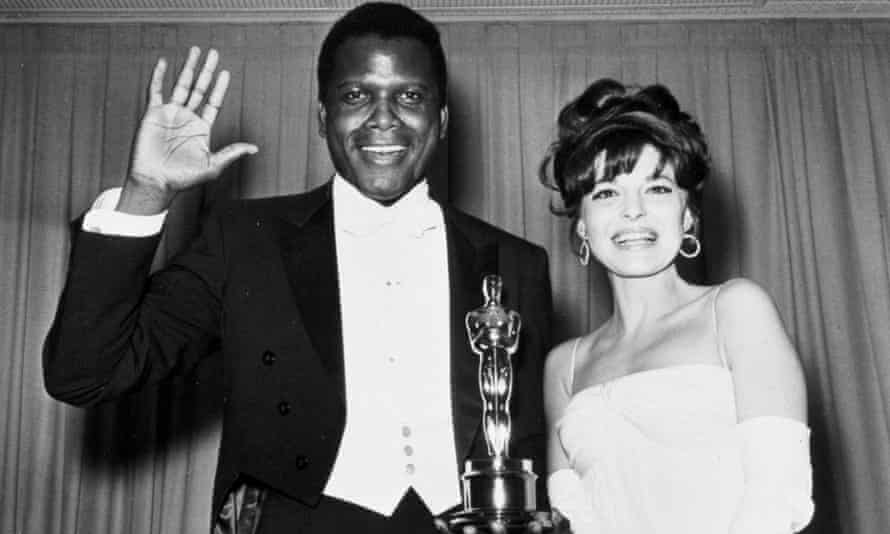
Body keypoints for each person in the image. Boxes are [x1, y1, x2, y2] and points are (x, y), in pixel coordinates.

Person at [42, 3, 553, 533]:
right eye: (356, 95)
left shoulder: (517, 264)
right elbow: (83, 375)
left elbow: (526, 452)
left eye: (411, 96)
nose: (383, 117)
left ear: (441, 120)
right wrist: (146, 194)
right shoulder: (244, 240)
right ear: (322, 116)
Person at [539, 79, 814, 534]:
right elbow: (573, 520)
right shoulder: (562, 367)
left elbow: (774, 500)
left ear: (687, 215)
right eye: (607, 193)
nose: (634, 211)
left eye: (658, 189)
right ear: (582, 225)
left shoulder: (736, 311)